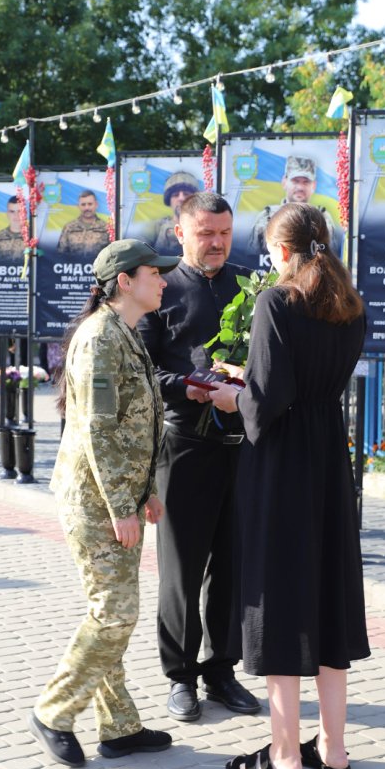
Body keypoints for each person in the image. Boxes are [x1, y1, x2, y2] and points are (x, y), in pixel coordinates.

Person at [209, 202, 370, 769]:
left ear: (281, 250)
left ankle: (284, 756)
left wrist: (234, 396)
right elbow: (304, 382)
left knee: (279, 601)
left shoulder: (277, 301)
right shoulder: (350, 306)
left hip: (282, 465)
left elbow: (270, 398)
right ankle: (334, 748)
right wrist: (254, 382)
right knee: (327, 595)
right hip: (327, 459)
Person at [29, 239, 179, 767]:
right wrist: (121, 507)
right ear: (125, 282)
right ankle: (53, 711)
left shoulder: (125, 332)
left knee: (110, 610)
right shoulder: (99, 338)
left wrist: (146, 492)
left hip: (118, 495)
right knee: (115, 613)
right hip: (95, 501)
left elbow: (136, 424)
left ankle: (119, 727)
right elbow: (97, 429)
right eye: (154, 273)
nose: (163, 281)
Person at [139, 191, 261, 722]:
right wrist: (184, 386)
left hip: (240, 445)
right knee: (182, 569)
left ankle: (221, 671)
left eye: (225, 233)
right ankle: (180, 676)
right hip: (184, 444)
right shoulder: (160, 289)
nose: (217, 243)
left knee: (233, 565)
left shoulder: (251, 286)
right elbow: (143, 368)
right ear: (180, 233)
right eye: (206, 233)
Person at [249, 156, 340, 254]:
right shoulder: (266, 217)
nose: (300, 187)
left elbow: (331, 255)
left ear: (313, 185)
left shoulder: (323, 219)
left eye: (306, 182)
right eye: (295, 181)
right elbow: (252, 256)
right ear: (284, 182)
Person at [153, 170, 200, 254]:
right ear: (169, 201)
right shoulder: (156, 228)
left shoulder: (206, 226)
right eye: (175, 195)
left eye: (186, 194)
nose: (181, 198)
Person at [57, 190, 110, 258]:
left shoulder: (106, 228)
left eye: (90, 204)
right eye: (83, 204)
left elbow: (112, 253)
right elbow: (60, 254)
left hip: (98, 264)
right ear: (78, 206)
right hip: (74, 264)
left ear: (96, 205)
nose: (87, 208)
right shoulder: (69, 227)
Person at [0, 196, 26, 261]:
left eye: (19, 211)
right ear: (7, 214)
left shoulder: (32, 237)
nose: (16, 215)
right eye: (12, 211)